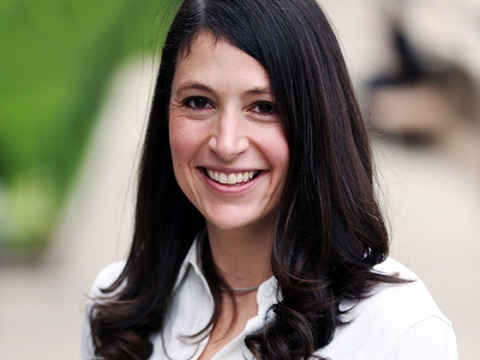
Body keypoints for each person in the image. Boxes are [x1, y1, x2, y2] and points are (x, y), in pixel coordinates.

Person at [82, 0, 458, 359]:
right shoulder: (116, 311)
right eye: (199, 102)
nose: (226, 144)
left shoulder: (396, 330)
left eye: (264, 107)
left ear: (317, 123)